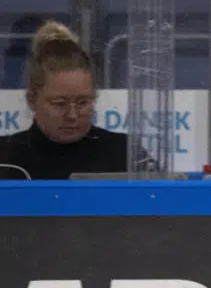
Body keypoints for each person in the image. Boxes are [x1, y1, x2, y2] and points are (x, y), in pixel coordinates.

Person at [0, 22, 130, 180]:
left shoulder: (125, 154)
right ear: (32, 100)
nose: (72, 115)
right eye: (60, 103)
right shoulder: (6, 158)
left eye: (83, 102)